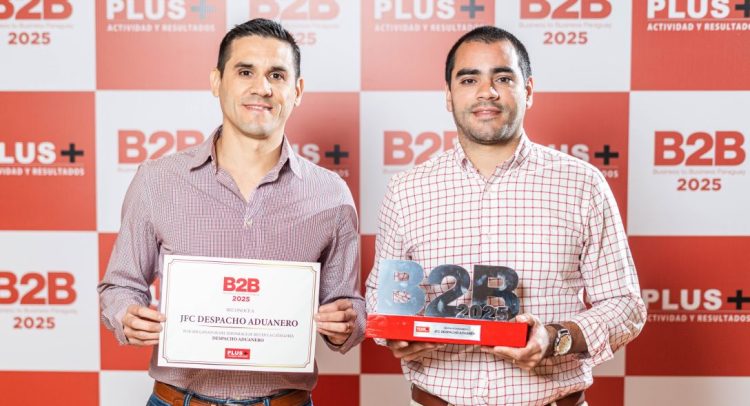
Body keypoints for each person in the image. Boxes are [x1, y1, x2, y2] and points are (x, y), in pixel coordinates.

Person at [365, 26, 646, 406]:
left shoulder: (582, 184)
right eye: (469, 79)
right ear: (448, 95)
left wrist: (555, 338)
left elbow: (626, 305)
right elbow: (380, 297)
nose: (487, 92)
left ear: (528, 90)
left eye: (503, 78)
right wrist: (395, 332)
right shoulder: (406, 190)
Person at [98, 18, 364, 406]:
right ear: (216, 81)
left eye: (277, 75)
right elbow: (119, 286)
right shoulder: (158, 180)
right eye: (245, 72)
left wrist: (346, 323)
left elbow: (348, 304)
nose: (262, 87)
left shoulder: (331, 194)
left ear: (297, 91)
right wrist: (127, 314)